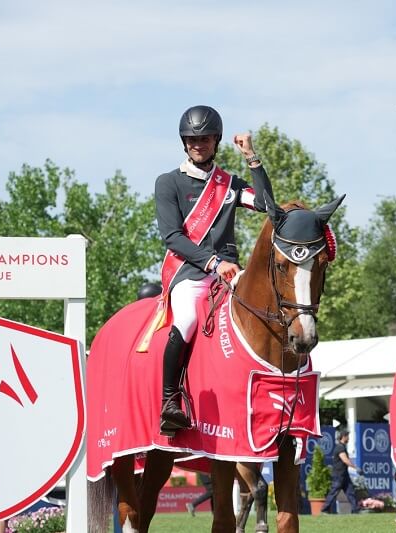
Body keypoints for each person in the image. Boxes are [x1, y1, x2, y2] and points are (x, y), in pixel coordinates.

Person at [156, 105, 273, 435]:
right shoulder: (168, 183)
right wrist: (213, 263)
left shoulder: (230, 184)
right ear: (184, 143)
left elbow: (266, 205)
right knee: (188, 320)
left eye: (205, 139)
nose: (198, 144)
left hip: (229, 273)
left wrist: (252, 157)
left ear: (216, 141)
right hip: (191, 272)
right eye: (192, 140)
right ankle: (169, 400)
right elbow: (172, 236)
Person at [321, 429, 359, 514]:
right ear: (343, 437)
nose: (348, 438)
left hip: (344, 475)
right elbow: (345, 460)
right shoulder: (340, 447)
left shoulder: (342, 447)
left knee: (350, 492)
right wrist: (356, 468)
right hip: (338, 475)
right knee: (333, 492)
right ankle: (324, 509)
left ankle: (355, 509)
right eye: (347, 436)